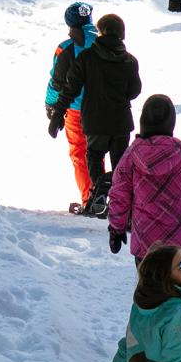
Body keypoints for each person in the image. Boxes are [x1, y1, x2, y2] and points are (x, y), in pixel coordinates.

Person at [51, 11, 142, 217]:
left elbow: (70, 87)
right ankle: (123, 207)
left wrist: (58, 113)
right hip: (120, 121)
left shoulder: (86, 57)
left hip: (94, 120)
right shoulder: (130, 61)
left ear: (101, 32)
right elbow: (135, 91)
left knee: (93, 155)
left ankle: (97, 196)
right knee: (120, 164)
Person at [107, 94, 181, 260]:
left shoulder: (131, 157)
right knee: (179, 283)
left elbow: (119, 196)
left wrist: (116, 228)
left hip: (146, 242)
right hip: (180, 243)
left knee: (148, 285)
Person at [44, 1, 97, 213]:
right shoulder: (105, 41)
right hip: (103, 107)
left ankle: (89, 199)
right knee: (98, 152)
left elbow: (56, 81)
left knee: (79, 153)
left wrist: (51, 104)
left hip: (74, 108)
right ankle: (106, 197)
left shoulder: (65, 48)